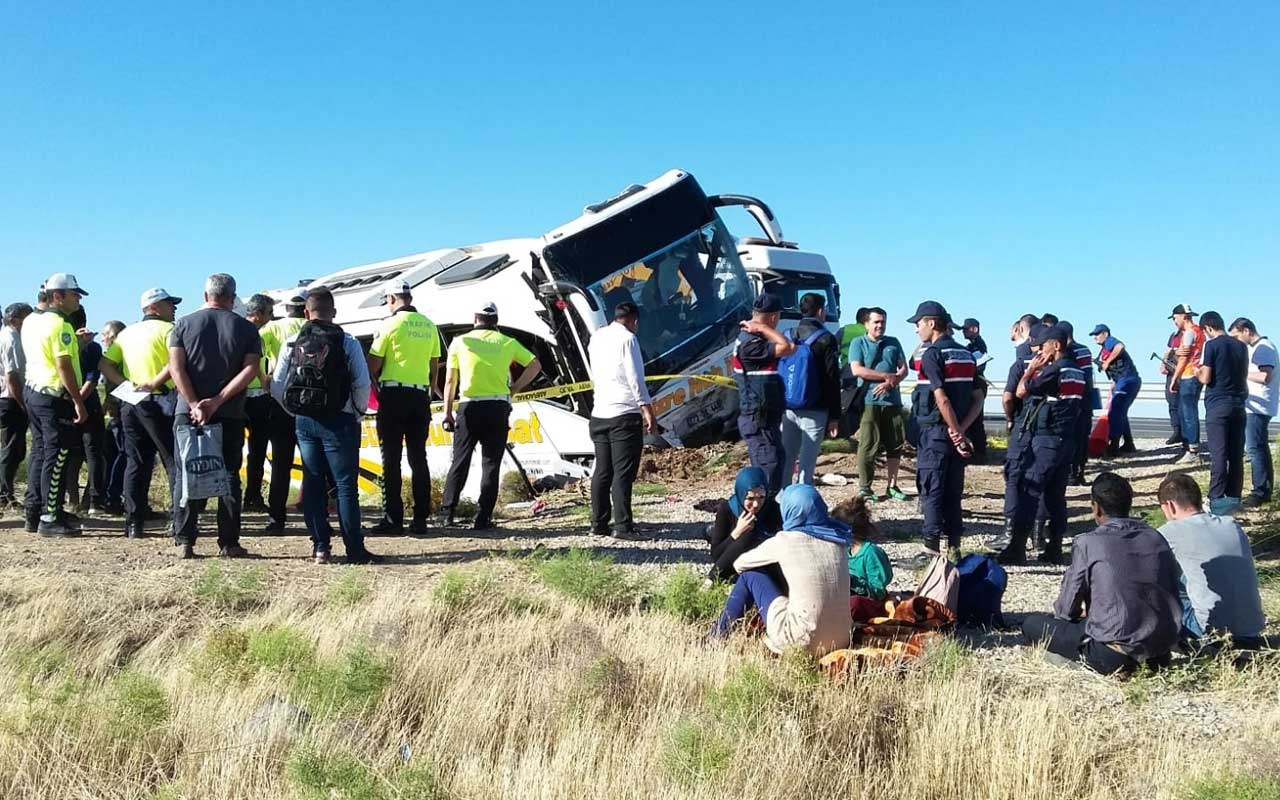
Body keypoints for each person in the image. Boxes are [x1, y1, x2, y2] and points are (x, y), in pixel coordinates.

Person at [1021, 472, 1183, 674]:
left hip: (1113, 654)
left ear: (1096, 508)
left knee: (1031, 624)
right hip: (1160, 653)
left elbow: (1066, 610)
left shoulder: (1088, 542)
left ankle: (1075, 661)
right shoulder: (1155, 537)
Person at [271, 287, 378, 564]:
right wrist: (356, 411)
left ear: (306, 312)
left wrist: (293, 410)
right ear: (334, 312)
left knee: (313, 482)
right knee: (345, 487)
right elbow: (362, 382)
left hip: (305, 421)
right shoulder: (347, 341)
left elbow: (277, 385)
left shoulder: (291, 342)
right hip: (340, 420)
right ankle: (354, 550)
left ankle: (320, 547)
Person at [168, 274, 263, 559]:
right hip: (230, 412)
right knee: (230, 475)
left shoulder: (182, 324)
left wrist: (195, 402)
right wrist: (218, 400)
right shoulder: (246, 329)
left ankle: (184, 540)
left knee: (186, 473)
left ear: (204, 294)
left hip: (188, 413)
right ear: (232, 298)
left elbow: (176, 368)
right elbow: (250, 370)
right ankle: (229, 543)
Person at [708, 483, 852, 657]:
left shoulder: (785, 541)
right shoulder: (838, 541)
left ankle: (715, 637)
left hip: (801, 640)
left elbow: (739, 564)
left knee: (750, 576)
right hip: (842, 639)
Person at [439, 301, 542, 530]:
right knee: (491, 463)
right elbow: (535, 365)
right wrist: (514, 388)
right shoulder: (507, 342)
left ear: (475, 318)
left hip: (469, 407)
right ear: (496, 321)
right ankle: (483, 516)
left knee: (460, 460)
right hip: (498, 406)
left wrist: (447, 412)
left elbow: (449, 381)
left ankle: (447, 513)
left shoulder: (460, 342)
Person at [996, 324, 1085, 565]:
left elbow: (1022, 391)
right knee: (1055, 496)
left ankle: (1016, 549)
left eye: (1043, 347)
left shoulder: (1054, 370)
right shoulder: (1077, 371)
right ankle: (1054, 547)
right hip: (1066, 440)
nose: (1039, 352)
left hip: (1045, 440)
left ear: (1055, 345)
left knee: (1029, 490)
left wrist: (1031, 370)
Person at [99, 288, 181, 538]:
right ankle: (178, 520)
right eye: (170, 304)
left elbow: (105, 364)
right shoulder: (170, 330)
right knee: (172, 460)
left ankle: (134, 522)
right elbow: (174, 362)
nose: (174, 308)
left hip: (131, 403)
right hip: (159, 401)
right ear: (155, 307)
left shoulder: (127, 333)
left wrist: (125, 385)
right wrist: (154, 383)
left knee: (136, 461)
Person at [907, 301, 983, 565]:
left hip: (935, 433)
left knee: (931, 489)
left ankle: (930, 551)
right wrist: (961, 431)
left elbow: (942, 399)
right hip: (955, 432)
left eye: (918, 324)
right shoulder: (965, 355)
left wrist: (953, 430)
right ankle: (955, 547)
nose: (916, 330)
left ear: (931, 323)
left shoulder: (931, 355)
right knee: (953, 490)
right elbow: (978, 398)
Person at [1155, 473, 1265, 648]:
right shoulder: (1232, 524)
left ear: (1170, 505)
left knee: (1163, 582)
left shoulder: (1170, 532)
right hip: (1252, 629)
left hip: (1210, 631)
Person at [368, 279, 442, 535]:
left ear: (391, 299)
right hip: (420, 396)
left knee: (391, 459)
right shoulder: (429, 325)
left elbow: (373, 364)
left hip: (393, 395)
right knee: (418, 458)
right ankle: (420, 519)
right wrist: (430, 392)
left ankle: (393, 518)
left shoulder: (389, 324)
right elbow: (434, 365)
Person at [21, 273, 90, 536]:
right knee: (57, 455)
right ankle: (49, 517)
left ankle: (35, 510)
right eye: (74, 294)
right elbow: (63, 366)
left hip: (34, 391)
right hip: (53, 395)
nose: (78, 299)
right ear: (57, 297)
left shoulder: (30, 320)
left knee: (40, 452)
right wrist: (77, 400)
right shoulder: (61, 326)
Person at [587, 301, 657, 540]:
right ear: (634, 320)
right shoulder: (628, 339)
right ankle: (623, 526)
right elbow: (635, 378)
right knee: (623, 473)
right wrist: (647, 410)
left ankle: (598, 523)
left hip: (599, 413)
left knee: (602, 471)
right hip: (624, 413)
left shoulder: (596, 337)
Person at [251, 294, 307, 532]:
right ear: (305, 310)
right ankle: (318, 515)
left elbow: (252, 353)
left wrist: (265, 380)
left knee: (280, 463)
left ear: (286, 308)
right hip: (310, 400)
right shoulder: (312, 327)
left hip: (279, 398)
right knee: (313, 461)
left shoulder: (272, 327)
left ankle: (277, 517)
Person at [733, 293, 796, 494]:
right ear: (773, 317)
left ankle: (769, 517)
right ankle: (761, 519)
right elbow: (788, 347)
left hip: (765, 416)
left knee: (776, 462)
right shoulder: (751, 343)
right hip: (757, 417)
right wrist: (762, 328)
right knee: (768, 468)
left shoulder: (755, 340)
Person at [780, 292, 841, 485]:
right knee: (807, 463)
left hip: (787, 406)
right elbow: (832, 379)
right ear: (821, 311)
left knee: (787, 458)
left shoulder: (787, 335)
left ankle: (781, 502)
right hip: (815, 408)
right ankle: (803, 503)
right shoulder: (826, 339)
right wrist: (835, 416)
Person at [847, 306, 908, 501]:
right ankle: (865, 486)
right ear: (867, 323)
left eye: (883, 322)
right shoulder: (858, 343)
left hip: (892, 401)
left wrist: (891, 383)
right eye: (876, 322)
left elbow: (903, 369)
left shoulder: (893, 342)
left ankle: (892, 485)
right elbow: (857, 370)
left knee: (895, 443)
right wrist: (885, 377)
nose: (880, 325)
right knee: (868, 444)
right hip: (869, 401)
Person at [1196, 311, 1248, 515]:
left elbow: (1207, 377)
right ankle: (1233, 499)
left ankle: (1215, 499)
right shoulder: (1241, 346)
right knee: (1236, 454)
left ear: (1208, 328)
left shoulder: (1212, 345)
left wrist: (1199, 373)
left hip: (1218, 404)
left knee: (1219, 454)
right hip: (1239, 404)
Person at [705, 466, 783, 582]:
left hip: (765, 565)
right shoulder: (727, 509)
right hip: (733, 567)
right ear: (741, 494)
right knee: (748, 536)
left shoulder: (773, 509)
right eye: (750, 498)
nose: (756, 504)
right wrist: (737, 532)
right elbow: (716, 555)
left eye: (761, 497)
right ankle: (713, 580)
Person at [1229, 318, 1276, 508]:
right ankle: (1262, 488)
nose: (1236, 341)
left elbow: (1265, 376)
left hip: (1259, 407)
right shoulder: (1257, 348)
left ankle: (1261, 491)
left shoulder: (1264, 348)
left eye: (1237, 336)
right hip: (1253, 405)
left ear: (1246, 330)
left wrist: (1239, 373)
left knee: (1256, 448)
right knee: (1257, 447)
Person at [62, 311, 106, 514]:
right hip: (88, 404)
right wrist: (79, 400)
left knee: (74, 454)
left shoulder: (65, 343)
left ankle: (75, 499)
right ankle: (92, 501)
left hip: (66, 403)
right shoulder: (91, 346)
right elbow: (91, 379)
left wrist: (73, 402)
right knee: (92, 452)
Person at [831, 494, 893, 622]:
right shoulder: (845, 550)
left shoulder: (870, 553)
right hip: (848, 596)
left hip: (871, 602)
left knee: (854, 603)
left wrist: (854, 583)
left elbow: (878, 591)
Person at [0, 302, 33, 508]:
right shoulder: (10, 339)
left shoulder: (12, 337)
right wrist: (24, 404)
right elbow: (12, 376)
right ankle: (4, 495)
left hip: (12, 399)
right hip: (11, 400)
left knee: (16, 449)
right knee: (11, 449)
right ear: (14, 319)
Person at [1090, 324, 1142, 455]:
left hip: (1128, 379)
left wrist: (1107, 362)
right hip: (1122, 381)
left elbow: (1120, 346)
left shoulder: (1110, 342)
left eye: (1097, 334)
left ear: (1105, 334)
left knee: (1115, 410)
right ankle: (1129, 444)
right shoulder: (1103, 350)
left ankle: (1113, 445)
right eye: (1093, 335)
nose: (1095, 337)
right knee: (1121, 411)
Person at [97, 319, 128, 515]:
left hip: (119, 409)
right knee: (118, 454)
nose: (102, 338)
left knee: (121, 453)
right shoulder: (112, 356)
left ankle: (113, 496)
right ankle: (111, 497)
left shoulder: (119, 355)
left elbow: (113, 386)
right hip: (115, 412)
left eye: (105, 334)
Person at [1060, 322, 1095, 485]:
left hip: (1071, 400)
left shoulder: (1066, 353)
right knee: (1082, 437)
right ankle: (1079, 472)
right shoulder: (1084, 350)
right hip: (1086, 398)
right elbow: (1088, 377)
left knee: (1070, 437)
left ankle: (1070, 473)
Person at [1169, 304, 1205, 462]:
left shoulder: (1189, 333)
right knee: (1189, 411)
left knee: (1187, 412)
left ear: (1183, 316)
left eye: (1175, 318)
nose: (1174, 322)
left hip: (1188, 375)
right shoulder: (1200, 331)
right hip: (1198, 374)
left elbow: (1183, 357)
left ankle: (1192, 449)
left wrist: (1175, 377)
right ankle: (1191, 447)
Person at [836, 306, 872, 438]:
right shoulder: (870, 331)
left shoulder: (844, 330)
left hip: (847, 371)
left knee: (846, 405)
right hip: (867, 372)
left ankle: (844, 433)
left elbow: (834, 350)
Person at [959, 317, 990, 463]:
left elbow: (979, 364)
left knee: (976, 418)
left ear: (974, 329)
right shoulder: (972, 345)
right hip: (973, 383)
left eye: (965, 329)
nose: (963, 332)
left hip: (977, 382)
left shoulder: (978, 345)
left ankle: (979, 452)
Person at [1160, 328, 1184, 446]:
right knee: (1172, 402)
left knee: (1184, 405)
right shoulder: (1174, 335)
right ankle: (1176, 431)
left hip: (1185, 373)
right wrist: (1163, 363)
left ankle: (1187, 435)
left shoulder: (1193, 333)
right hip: (1171, 371)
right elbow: (1168, 350)